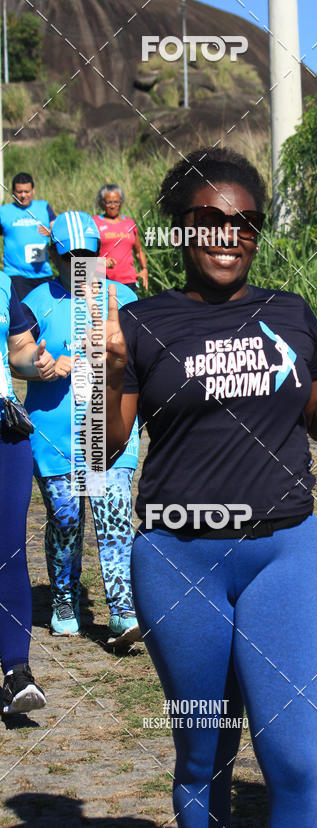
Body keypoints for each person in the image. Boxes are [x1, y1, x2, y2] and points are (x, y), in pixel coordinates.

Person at [98, 148, 317, 827]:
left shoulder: (289, 313)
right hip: (178, 560)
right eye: (211, 219)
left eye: (246, 222)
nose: (229, 235)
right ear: (180, 227)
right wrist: (110, 370)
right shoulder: (141, 323)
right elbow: (104, 448)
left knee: (293, 762)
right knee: (204, 757)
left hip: (285, 555)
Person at [21, 211, 141, 649]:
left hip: (110, 430)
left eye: (86, 255)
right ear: (54, 256)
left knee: (114, 516)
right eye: (68, 256)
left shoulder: (122, 298)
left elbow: (145, 360)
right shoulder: (35, 301)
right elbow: (17, 355)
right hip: (54, 434)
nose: (78, 264)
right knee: (66, 519)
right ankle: (64, 600)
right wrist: (38, 365)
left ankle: (122, 610)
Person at [0, 269, 56, 714]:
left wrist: (33, 362)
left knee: (9, 551)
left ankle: (17, 672)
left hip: (4, 429)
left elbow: (17, 349)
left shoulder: (2, 282)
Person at [0, 173, 56, 301]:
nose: (23, 195)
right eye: (19, 192)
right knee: (23, 310)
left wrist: (51, 233)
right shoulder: (3, 212)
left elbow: (57, 230)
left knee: (44, 310)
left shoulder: (43, 206)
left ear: (33, 190)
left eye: (27, 191)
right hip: (16, 274)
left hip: (43, 273)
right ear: (13, 192)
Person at [93, 184, 148, 294]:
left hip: (129, 281)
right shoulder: (94, 223)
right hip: (103, 281)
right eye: (109, 202)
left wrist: (144, 269)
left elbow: (139, 251)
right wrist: (100, 262)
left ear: (121, 202)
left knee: (131, 306)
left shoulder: (129, 223)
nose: (113, 206)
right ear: (102, 203)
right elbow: (86, 254)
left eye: (116, 202)